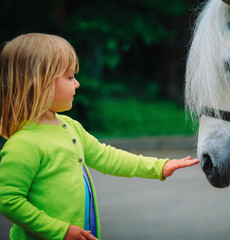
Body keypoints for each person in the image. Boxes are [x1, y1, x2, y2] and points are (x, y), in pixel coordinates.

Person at [0, 33, 199, 240]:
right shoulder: (23, 143)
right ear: (40, 84)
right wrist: (61, 231)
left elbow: (107, 157)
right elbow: (9, 200)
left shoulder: (70, 127)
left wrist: (158, 167)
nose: (77, 84)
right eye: (69, 77)